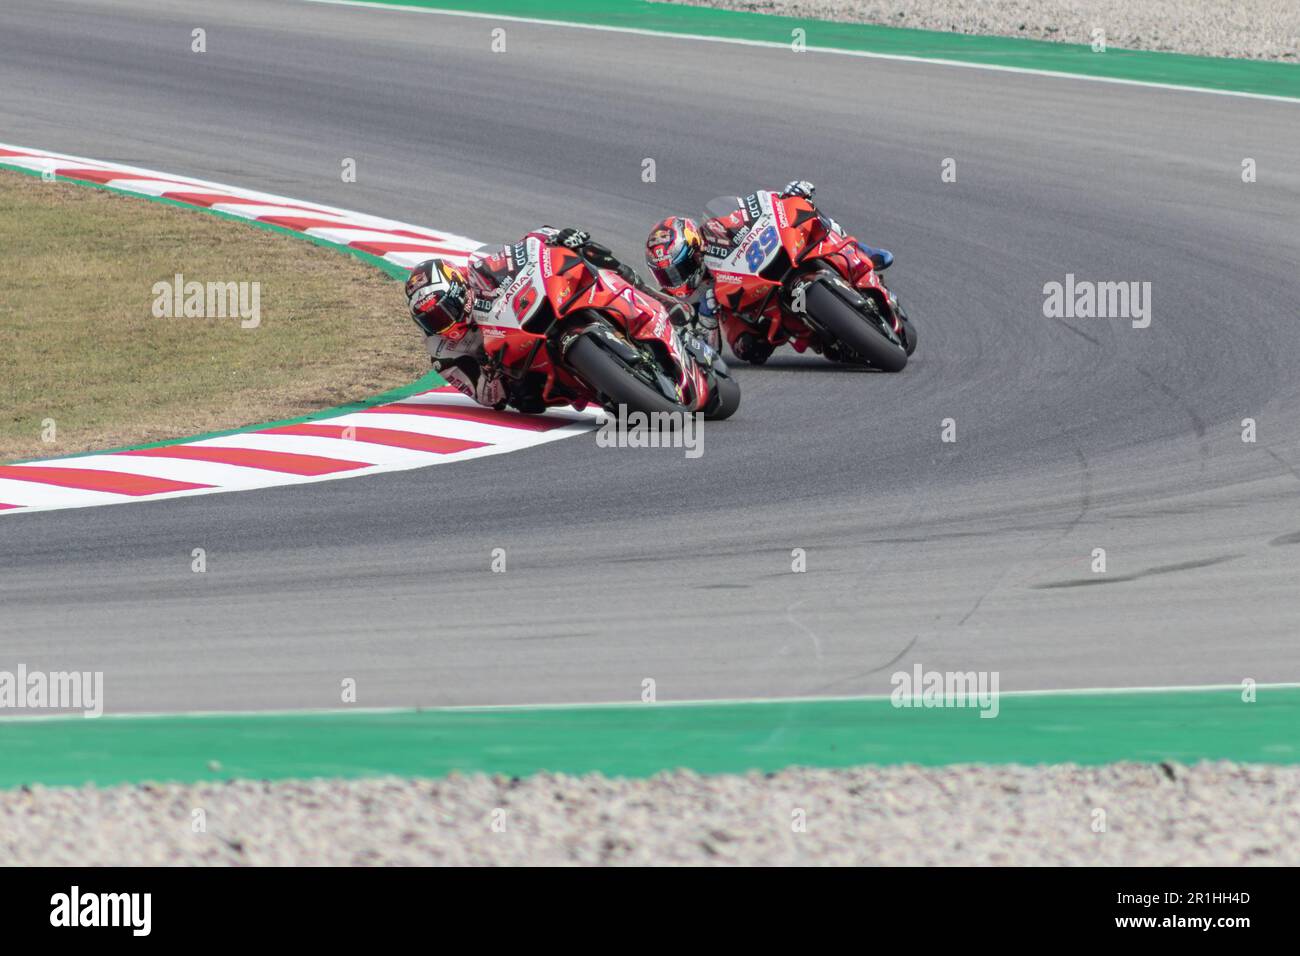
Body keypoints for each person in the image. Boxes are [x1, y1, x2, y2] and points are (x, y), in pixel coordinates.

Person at [405, 226, 691, 411]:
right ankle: (607, 389)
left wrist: (557, 237)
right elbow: (486, 397)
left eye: (444, 313)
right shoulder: (444, 353)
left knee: (587, 256)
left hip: (535, 312)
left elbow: (525, 247)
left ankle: (646, 293)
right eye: (432, 321)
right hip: (519, 366)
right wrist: (490, 375)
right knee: (527, 401)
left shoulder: (479, 272)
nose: (444, 326)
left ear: (458, 292)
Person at [644, 180, 894, 364]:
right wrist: (708, 320)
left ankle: (858, 248)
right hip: (747, 311)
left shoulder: (714, 229)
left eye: (680, 270)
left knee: (806, 215)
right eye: (669, 275)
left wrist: (787, 196)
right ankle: (809, 331)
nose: (676, 280)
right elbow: (706, 354)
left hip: (765, 268)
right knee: (747, 350)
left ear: (695, 250)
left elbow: (753, 208)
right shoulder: (688, 301)